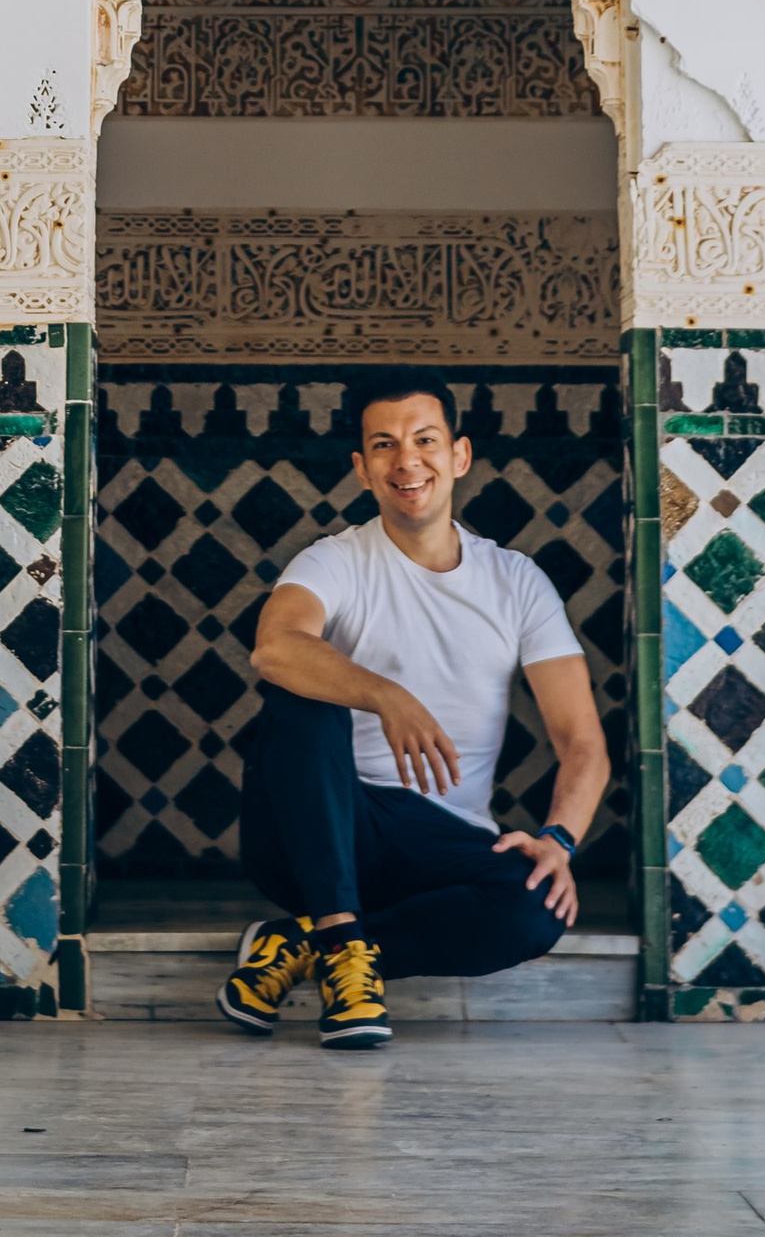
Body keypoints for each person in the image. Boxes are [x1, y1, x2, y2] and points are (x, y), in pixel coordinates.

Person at [220, 369, 611, 1049]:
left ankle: (307, 944)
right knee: (301, 692)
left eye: (425, 440)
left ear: (458, 456)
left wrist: (560, 839)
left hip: (437, 836)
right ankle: (341, 938)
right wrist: (384, 695)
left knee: (534, 909)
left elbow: (581, 738)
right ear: (362, 468)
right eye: (384, 445)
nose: (407, 461)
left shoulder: (516, 582)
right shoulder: (333, 562)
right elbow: (274, 648)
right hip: (318, 827)